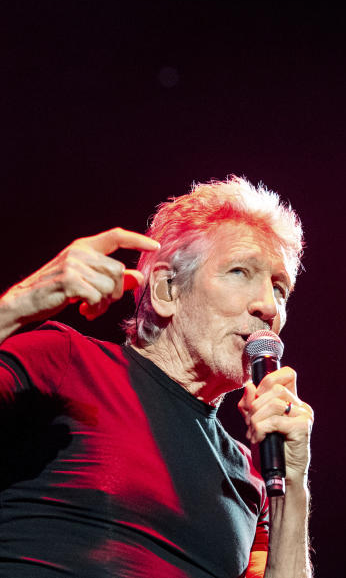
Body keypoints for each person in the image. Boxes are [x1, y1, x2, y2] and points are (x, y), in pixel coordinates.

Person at [0, 176, 313, 577]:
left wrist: (291, 481)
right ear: (167, 290)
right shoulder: (65, 362)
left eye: (280, 287)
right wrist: (19, 305)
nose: (268, 305)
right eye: (239, 271)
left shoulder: (253, 477)